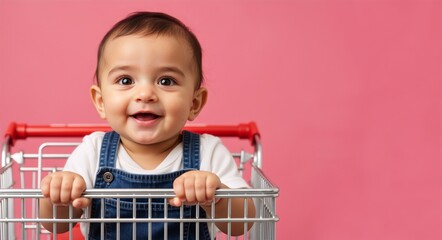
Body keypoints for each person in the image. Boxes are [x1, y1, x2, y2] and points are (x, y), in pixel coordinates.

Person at [39, 11, 255, 239]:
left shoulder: (208, 152)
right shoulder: (92, 150)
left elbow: (240, 224)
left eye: (166, 81)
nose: (145, 94)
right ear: (101, 102)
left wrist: (217, 195)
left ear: (194, 103)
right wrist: (59, 196)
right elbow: (56, 225)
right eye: (126, 80)